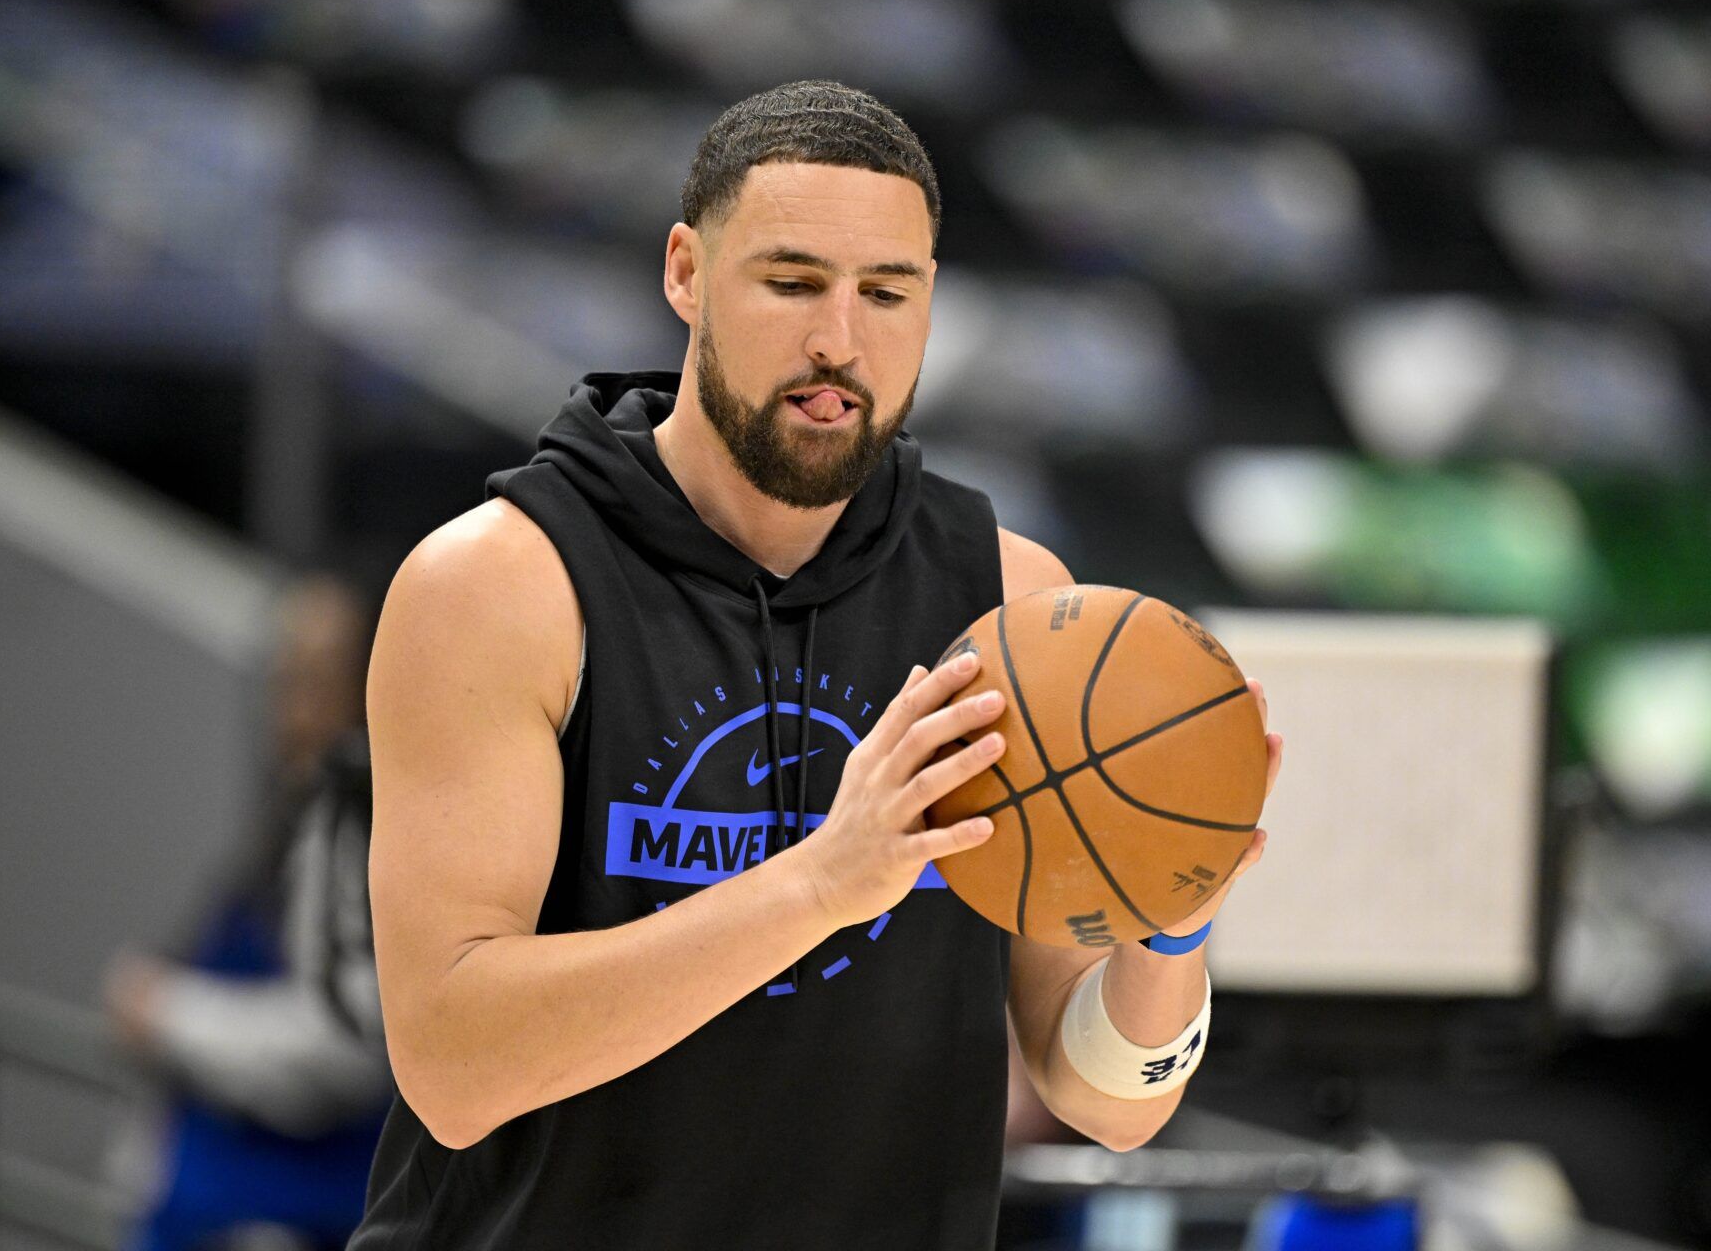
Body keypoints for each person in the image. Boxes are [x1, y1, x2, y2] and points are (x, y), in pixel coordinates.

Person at [351, 80, 1284, 1249]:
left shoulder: (1013, 605)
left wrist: (1171, 921)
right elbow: (454, 1062)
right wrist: (816, 885)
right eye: (792, 282)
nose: (838, 340)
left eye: (886, 292)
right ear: (687, 273)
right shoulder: (501, 585)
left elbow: (1106, 1099)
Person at [104, 575, 391, 1251]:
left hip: (294, 1212)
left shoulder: (357, 826)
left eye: (317, 683)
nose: (292, 714)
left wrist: (166, 1013)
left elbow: (346, 1048)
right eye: (283, 679)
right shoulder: (293, 815)